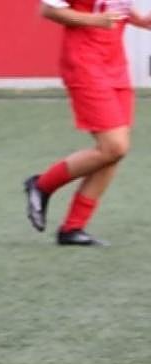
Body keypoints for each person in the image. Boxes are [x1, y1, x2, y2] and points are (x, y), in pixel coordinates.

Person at [23, 0, 151, 246]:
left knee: (113, 151)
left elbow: (116, 7)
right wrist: (95, 21)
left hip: (115, 64)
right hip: (84, 63)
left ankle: (73, 227)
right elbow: (49, 10)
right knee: (114, 146)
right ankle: (41, 185)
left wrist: (142, 21)